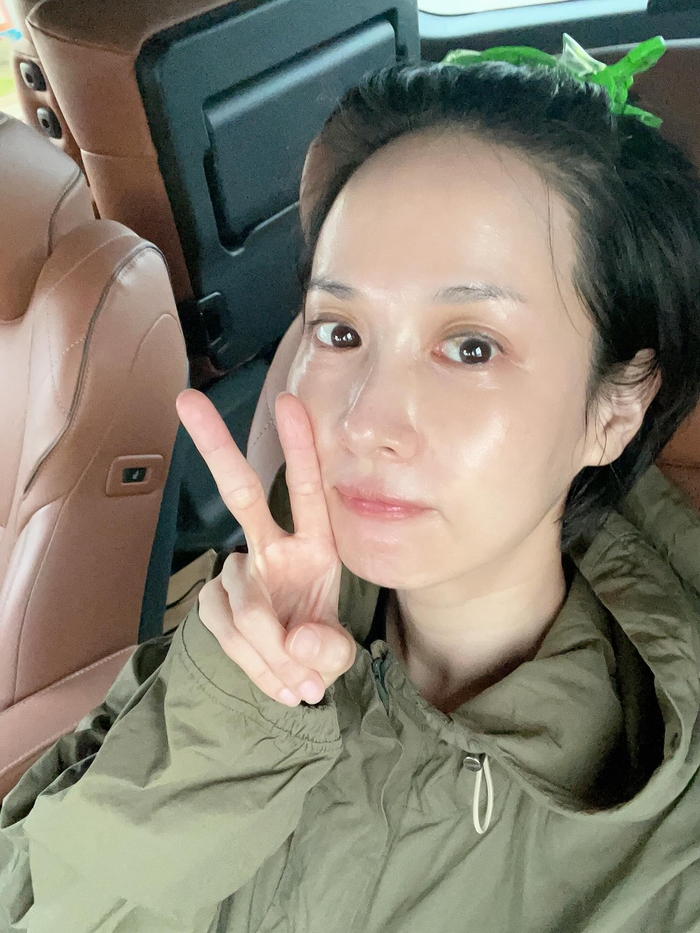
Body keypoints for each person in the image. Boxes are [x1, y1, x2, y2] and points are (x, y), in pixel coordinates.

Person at [2, 42, 700, 933]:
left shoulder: (667, 840)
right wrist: (232, 723)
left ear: (615, 407)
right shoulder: (244, 630)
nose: (366, 418)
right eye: (339, 331)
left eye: (471, 346)